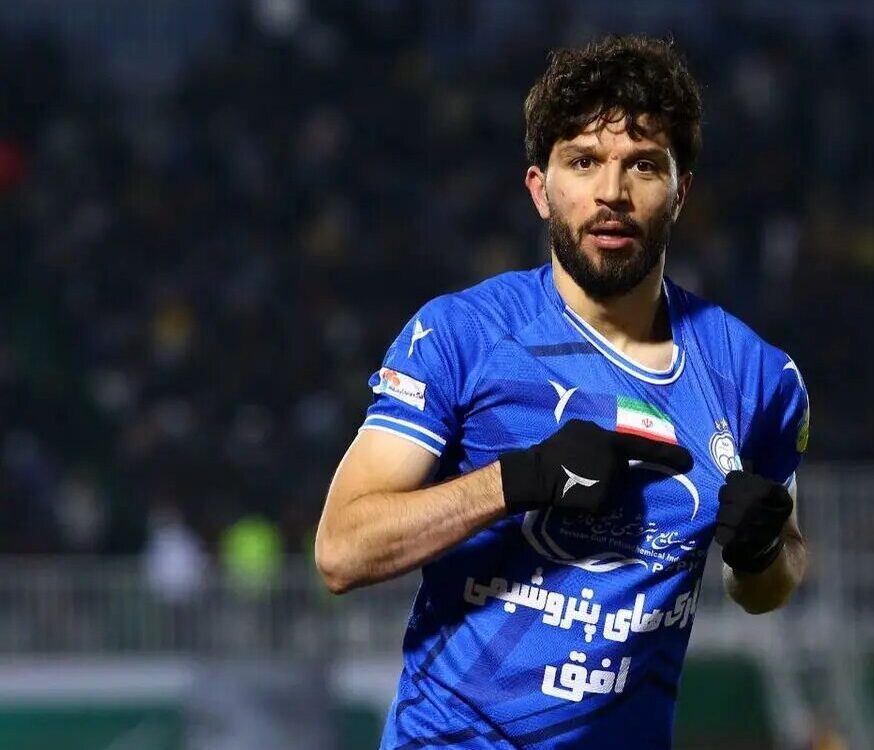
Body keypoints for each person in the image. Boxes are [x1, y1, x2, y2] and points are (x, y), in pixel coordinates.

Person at [315, 34, 810, 749]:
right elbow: (342, 550)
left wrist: (761, 553)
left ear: (681, 192)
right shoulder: (463, 335)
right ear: (540, 189)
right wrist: (521, 479)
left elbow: (772, 581)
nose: (612, 193)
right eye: (583, 162)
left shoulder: (757, 378)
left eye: (643, 164)